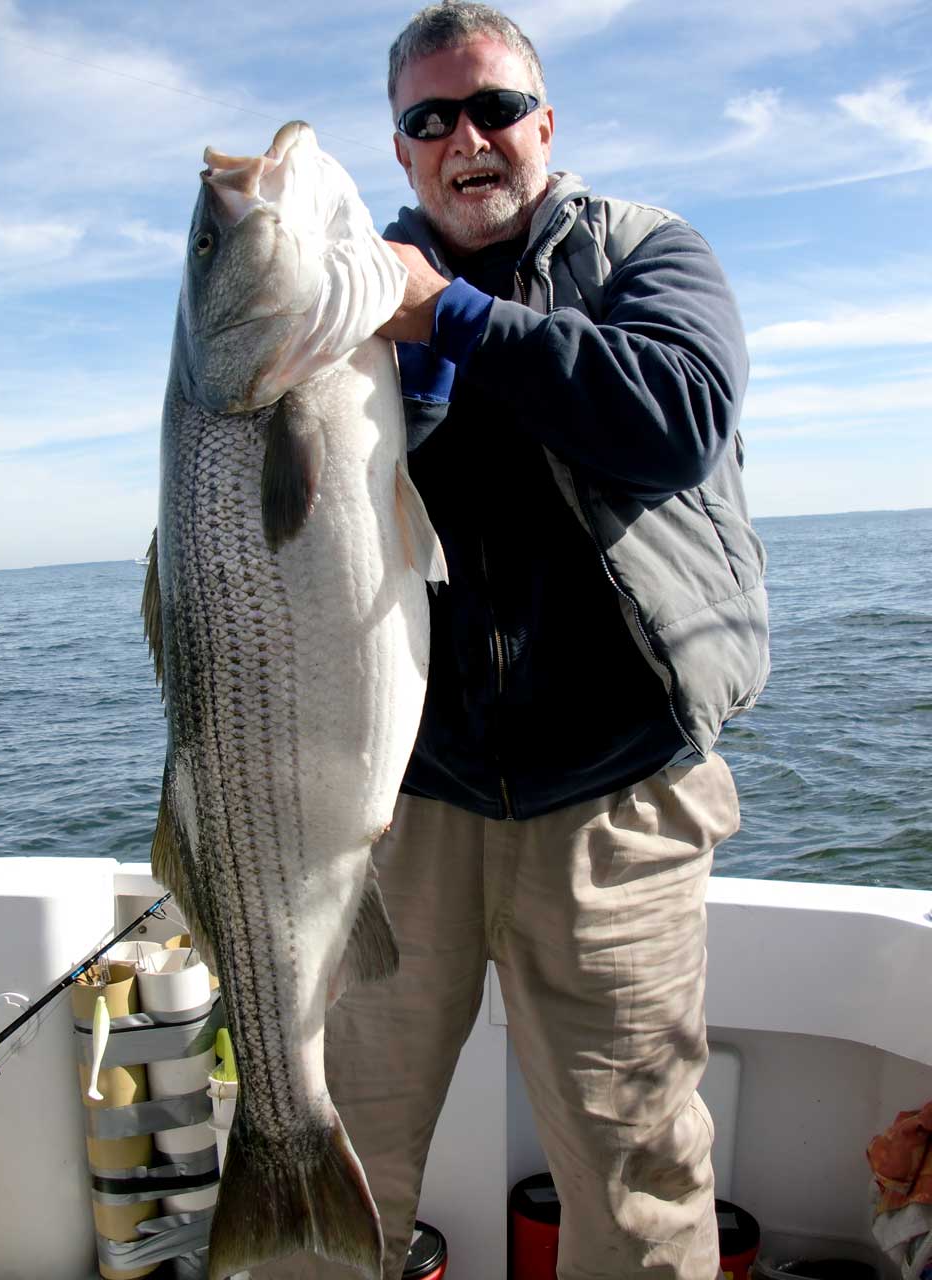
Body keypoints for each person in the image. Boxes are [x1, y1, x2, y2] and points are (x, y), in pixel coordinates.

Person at [272, 4, 769, 1279]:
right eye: (430, 119)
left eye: (494, 106)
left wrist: (457, 324)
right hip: (401, 812)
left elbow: (675, 413)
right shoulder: (349, 298)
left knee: (637, 1176)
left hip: (615, 803)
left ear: (546, 124)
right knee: (337, 1148)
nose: (467, 138)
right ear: (402, 152)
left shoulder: (648, 250)